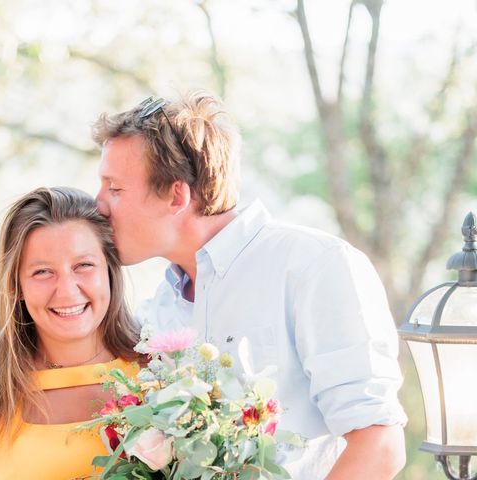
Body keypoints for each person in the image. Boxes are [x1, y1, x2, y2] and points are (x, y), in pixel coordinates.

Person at [92, 92, 408, 479]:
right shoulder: (158, 309)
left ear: (176, 195)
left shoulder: (315, 267)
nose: (99, 205)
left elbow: (378, 446)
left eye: (115, 188)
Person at [0, 187, 140, 480]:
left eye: (83, 265)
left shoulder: (160, 371)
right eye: (42, 272)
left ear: (109, 271)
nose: (67, 290)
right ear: (17, 286)